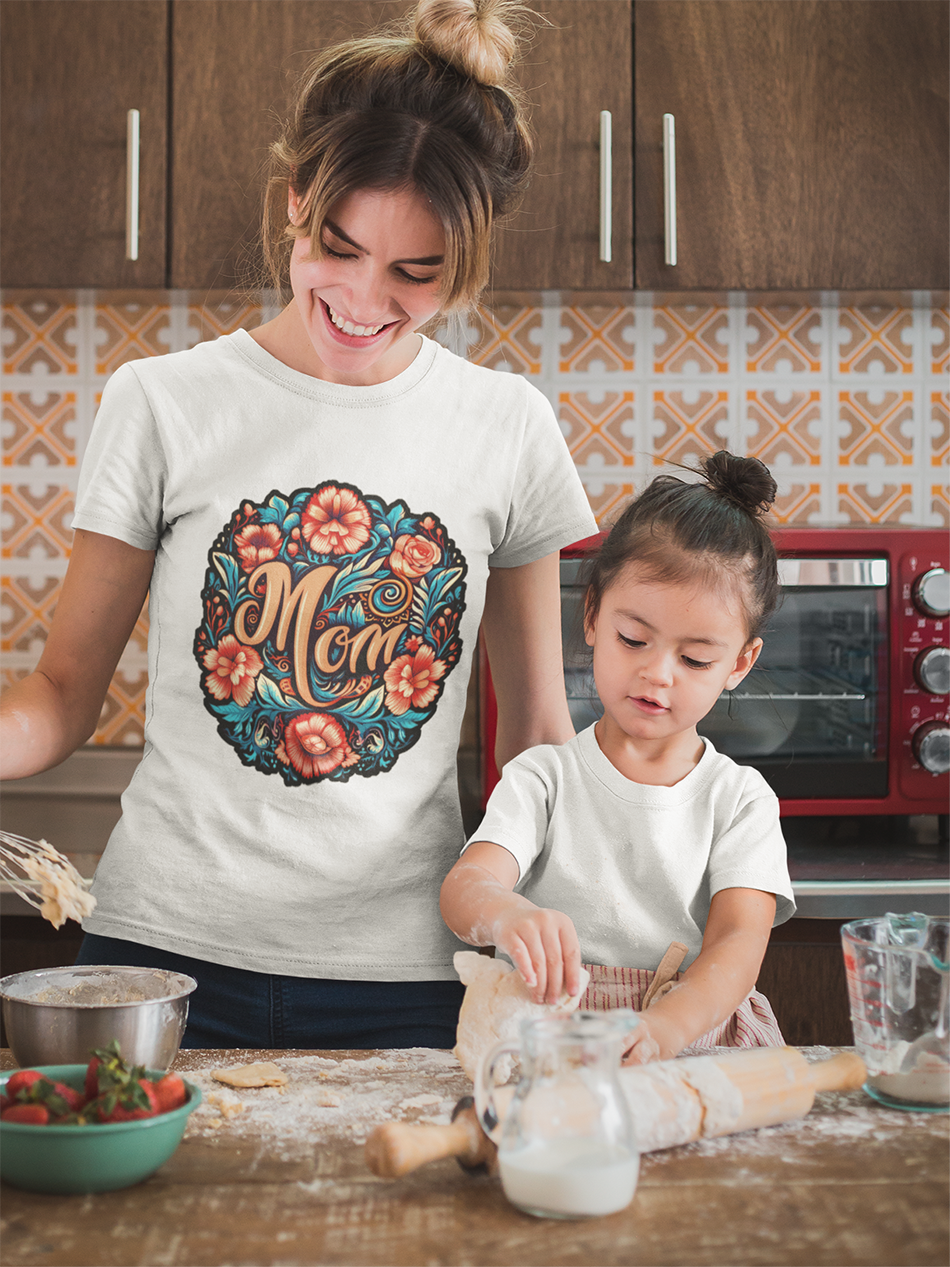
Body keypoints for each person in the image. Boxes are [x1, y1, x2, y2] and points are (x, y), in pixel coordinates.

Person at [0, 0, 597, 1049]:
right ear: (294, 205)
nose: (365, 298)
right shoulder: (161, 402)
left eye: (415, 273)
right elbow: (58, 700)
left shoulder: (506, 428)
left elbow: (537, 742)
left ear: (463, 266)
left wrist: (584, 896)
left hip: (409, 967)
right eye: (340, 248)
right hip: (159, 956)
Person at [440, 451, 796, 1063]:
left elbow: (737, 943)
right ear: (592, 617)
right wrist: (504, 915)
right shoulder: (544, 779)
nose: (656, 675)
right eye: (634, 639)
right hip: (547, 1042)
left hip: (690, 1042)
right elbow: (466, 887)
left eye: (695, 659)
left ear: (739, 664)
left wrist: (663, 1028)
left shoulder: (739, 801)